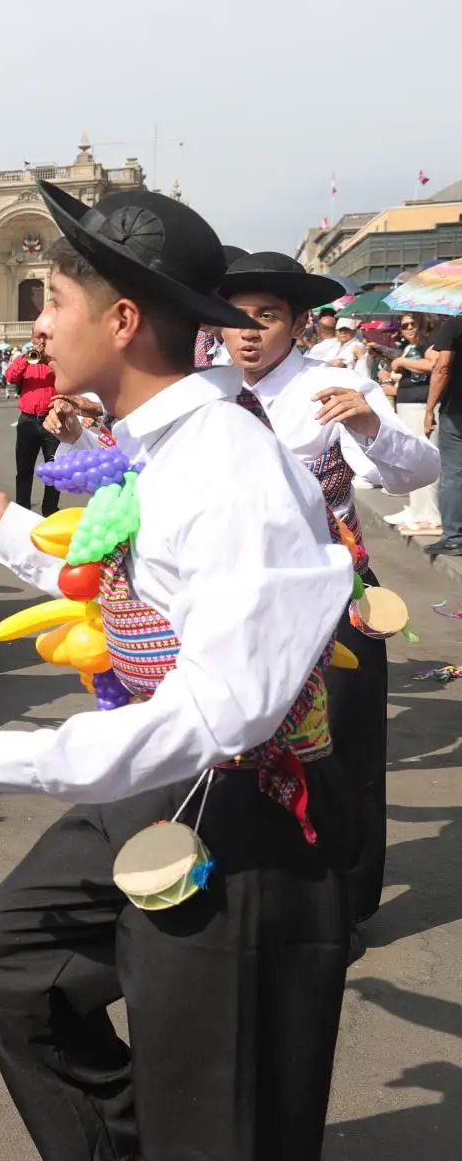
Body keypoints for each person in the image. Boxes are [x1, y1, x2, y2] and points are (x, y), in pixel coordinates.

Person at [0, 183, 355, 1160]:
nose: (38, 323)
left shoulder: (226, 468)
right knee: (12, 959)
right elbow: (116, 582)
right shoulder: (151, 449)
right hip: (167, 774)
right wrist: (1, 526)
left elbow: (224, 713)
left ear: (125, 319)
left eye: (53, 300)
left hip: (244, 807)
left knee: (220, 1100)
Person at [215, 250, 440, 934]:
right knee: (236, 751)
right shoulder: (203, 390)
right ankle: (254, 890)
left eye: (268, 316)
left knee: (341, 753)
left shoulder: (334, 385)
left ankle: (340, 906)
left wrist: (369, 425)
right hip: (233, 601)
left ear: (297, 323)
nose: (250, 332)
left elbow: (414, 470)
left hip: (334, 597)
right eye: (236, 319)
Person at [380, 314, 442, 537]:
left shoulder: (432, 341)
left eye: (411, 324)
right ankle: (417, 510)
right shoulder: (413, 346)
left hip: (421, 405)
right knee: (411, 459)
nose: (407, 329)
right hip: (408, 403)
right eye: (403, 325)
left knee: (423, 458)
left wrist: (402, 362)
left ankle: (429, 515)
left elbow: (433, 364)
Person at [3, 335, 60, 514]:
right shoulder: (26, 359)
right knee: (24, 468)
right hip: (28, 420)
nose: (42, 343)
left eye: (45, 339)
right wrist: (26, 358)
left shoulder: (58, 360)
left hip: (52, 420)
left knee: (54, 469)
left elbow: (71, 377)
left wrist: (50, 359)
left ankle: (50, 509)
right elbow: (10, 377)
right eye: (38, 339)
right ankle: (22, 510)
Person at [426, 316, 462, 557]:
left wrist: (429, 409)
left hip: (457, 411)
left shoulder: (456, 325)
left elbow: (443, 366)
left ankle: (454, 537)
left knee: (454, 474)